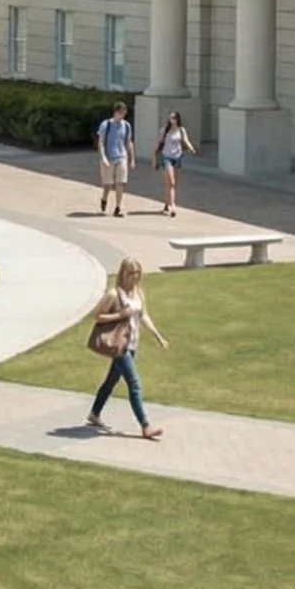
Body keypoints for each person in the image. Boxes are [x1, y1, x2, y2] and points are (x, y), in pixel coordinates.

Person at [89, 256, 167, 439]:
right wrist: (120, 315)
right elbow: (97, 316)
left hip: (132, 345)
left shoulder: (138, 293)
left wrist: (158, 336)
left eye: (137, 272)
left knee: (111, 381)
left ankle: (94, 413)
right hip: (119, 346)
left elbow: (143, 316)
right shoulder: (114, 294)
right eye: (131, 273)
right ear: (123, 274)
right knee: (134, 384)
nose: (135, 276)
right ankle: (145, 426)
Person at [95, 101, 135, 217]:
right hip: (109, 157)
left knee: (120, 183)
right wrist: (103, 157)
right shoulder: (106, 124)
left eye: (124, 114)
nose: (123, 116)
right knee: (108, 185)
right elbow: (101, 142)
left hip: (122, 156)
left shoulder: (126, 125)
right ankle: (104, 198)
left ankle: (118, 207)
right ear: (116, 112)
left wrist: (132, 159)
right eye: (121, 113)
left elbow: (129, 142)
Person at [154, 110, 196, 217]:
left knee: (173, 184)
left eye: (174, 118)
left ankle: (167, 203)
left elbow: (185, 140)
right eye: (170, 118)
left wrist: (191, 148)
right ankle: (173, 206)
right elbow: (157, 145)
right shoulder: (164, 130)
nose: (172, 120)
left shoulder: (181, 130)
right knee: (171, 182)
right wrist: (154, 158)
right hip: (166, 157)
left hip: (177, 157)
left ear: (177, 119)